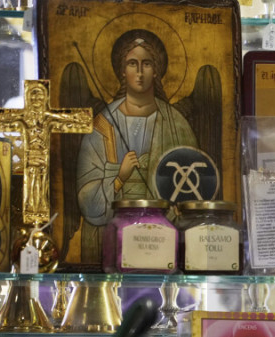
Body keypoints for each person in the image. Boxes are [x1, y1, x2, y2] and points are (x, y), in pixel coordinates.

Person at [76, 29, 198, 233]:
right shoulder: (104, 123)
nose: (140, 72)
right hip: (115, 230)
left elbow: (195, 180)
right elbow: (87, 200)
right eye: (132, 64)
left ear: (156, 70)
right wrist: (119, 177)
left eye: (147, 64)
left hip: (162, 230)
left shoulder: (176, 123)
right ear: (122, 70)